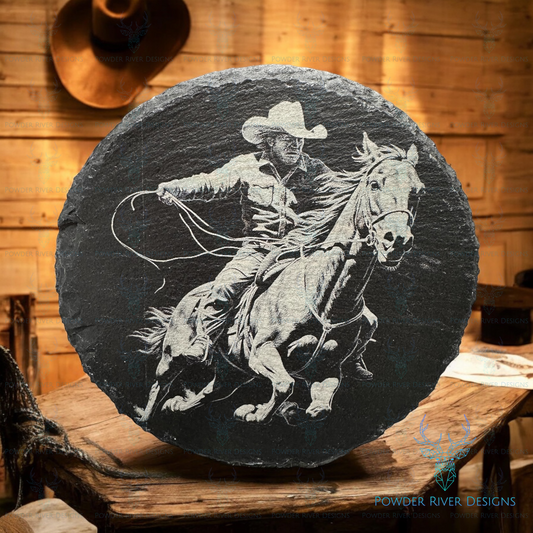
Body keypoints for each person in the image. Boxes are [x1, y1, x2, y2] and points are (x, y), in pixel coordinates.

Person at [156, 101, 373, 380]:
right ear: (270, 141)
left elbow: (348, 192)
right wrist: (175, 188)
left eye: (300, 139)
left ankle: (351, 355)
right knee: (225, 287)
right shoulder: (246, 166)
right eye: (288, 139)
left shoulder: (316, 170)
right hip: (257, 249)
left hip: (302, 251)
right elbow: (210, 182)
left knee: (357, 309)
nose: (296, 145)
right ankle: (204, 341)